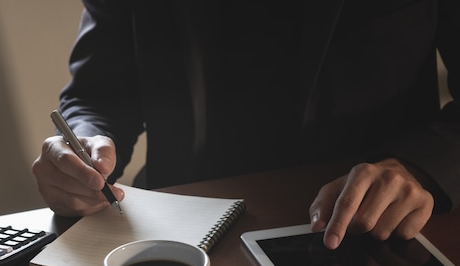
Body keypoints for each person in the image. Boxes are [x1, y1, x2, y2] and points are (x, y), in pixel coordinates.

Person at [32, 0, 459, 250]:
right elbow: (98, 93)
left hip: (371, 227)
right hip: (188, 230)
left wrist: (417, 167)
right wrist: (82, 143)